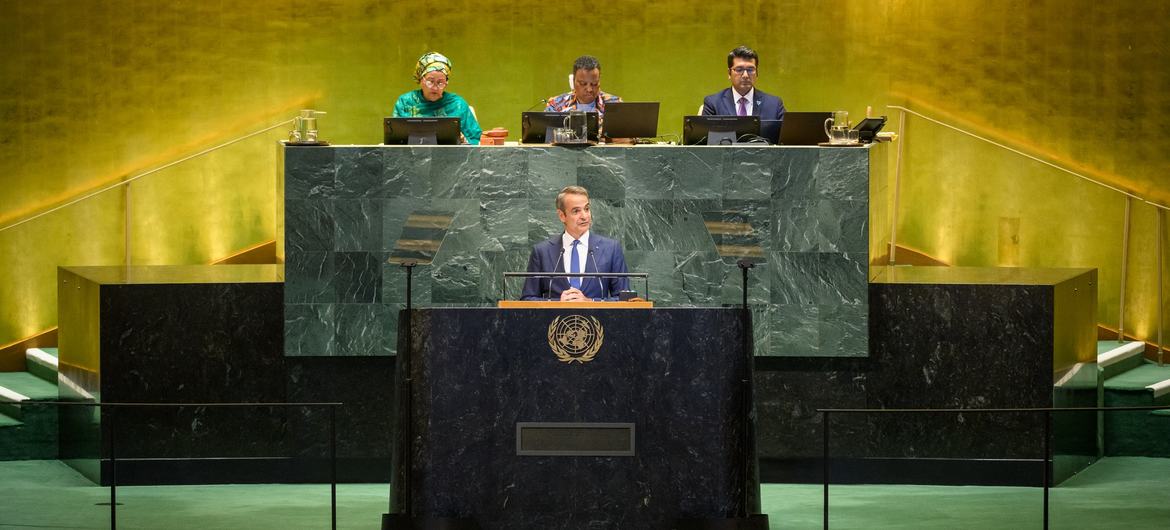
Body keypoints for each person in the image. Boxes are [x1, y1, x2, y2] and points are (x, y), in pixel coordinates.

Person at [521, 186, 629, 301]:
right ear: (562, 216)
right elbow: (527, 299)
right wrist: (557, 303)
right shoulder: (542, 251)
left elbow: (624, 300)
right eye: (576, 211)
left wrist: (590, 302)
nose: (584, 216)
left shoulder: (611, 249)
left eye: (586, 209)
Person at [392, 51, 482, 144]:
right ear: (421, 80)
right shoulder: (406, 102)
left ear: (446, 84)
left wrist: (464, 141)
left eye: (440, 82)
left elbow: (477, 140)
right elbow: (395, 139)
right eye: (430, 81)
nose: (435, 87)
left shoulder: (458, 104)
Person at [701, 46, 785, 126]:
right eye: (739, 69)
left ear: (757, 73)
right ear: (729, 73)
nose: (745, 75)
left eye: (750, 70)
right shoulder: (713, 103)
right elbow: (705, 139)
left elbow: (786, 138)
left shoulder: (774, 104)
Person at [544, 55, 622, 130]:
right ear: (573, 81)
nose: (589, 89)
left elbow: (629, 137)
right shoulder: (556, 105)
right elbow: (545, 138)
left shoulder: (615, 105)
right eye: (583, 84)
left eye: (594, 84)